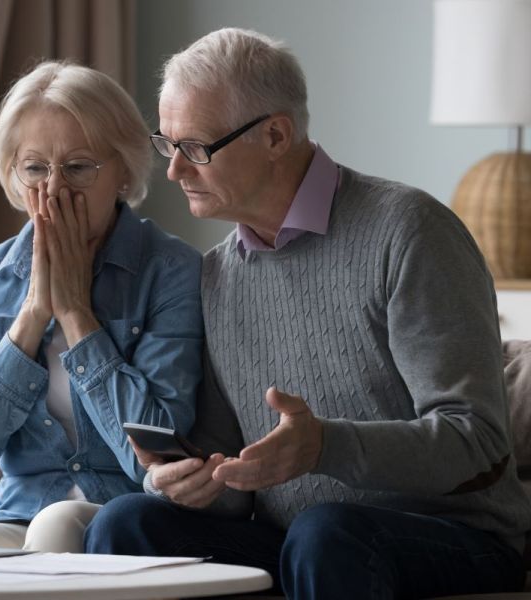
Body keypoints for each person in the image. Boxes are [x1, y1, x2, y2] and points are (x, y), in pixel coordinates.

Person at [85, 28, 531, 598]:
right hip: (302, 541)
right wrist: (192, 480)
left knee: (327, 533)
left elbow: (477, 441)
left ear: (275, 135)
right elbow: (237, 485)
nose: (175, 171)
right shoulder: (219, 275)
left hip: (453, 536)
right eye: (167, 145)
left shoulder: (409, 232)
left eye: (195, 148)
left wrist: (327, 446)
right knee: (125, 522)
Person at [0, 60, 203, 553]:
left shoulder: (172, 271)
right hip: (21, 509)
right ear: (13, 174)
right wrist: (33, 315)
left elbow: (154, 454)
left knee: (54, 527)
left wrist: (78, 316)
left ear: (122, 170)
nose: (54, 189)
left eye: (78, 167)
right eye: (35, 168)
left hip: (122, 509)